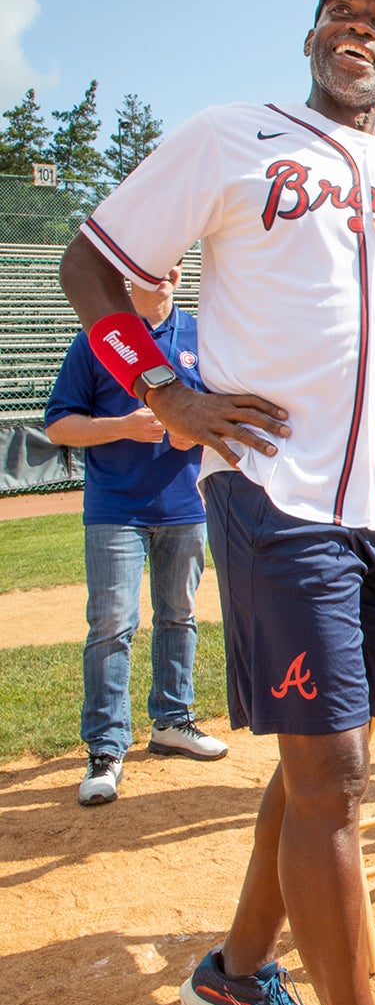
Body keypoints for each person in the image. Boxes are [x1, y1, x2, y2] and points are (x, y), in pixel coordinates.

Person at [59, 0, 375, 1005]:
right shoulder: (230, 134)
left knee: (325, 758)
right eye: (340, 12)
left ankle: (235, 974)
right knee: (331, 773)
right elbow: (93, 261)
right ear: (309, 37)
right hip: (275, 494)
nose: (359, 29)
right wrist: (168, 397)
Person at [45, 262, 228, 807]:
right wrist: (123, 426)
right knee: (112, 625)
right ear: (130, 276)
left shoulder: (200, 336)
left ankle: (172, 721)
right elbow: (58, 424)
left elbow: (218, 411)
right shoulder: (100, 339)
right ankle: (105, 747)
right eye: (156, 265)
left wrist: (188, 434)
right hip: (114, 509)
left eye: (176, 263)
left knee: (179, 616)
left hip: (183, 506)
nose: (168, 272)